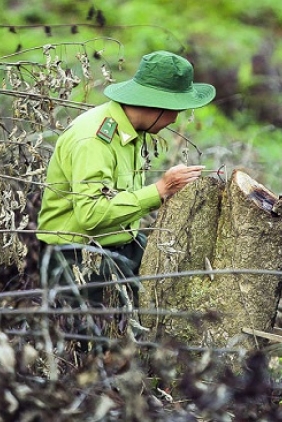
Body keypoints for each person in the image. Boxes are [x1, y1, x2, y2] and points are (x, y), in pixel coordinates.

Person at [36, 50, 215, 310]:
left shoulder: (130, 130)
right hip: (76, 260)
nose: (176, 118)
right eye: (175, 109)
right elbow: (91, 214)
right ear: (156, 103)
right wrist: (160, 190)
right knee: (91, 342)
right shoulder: (94, 141)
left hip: (119, 247)